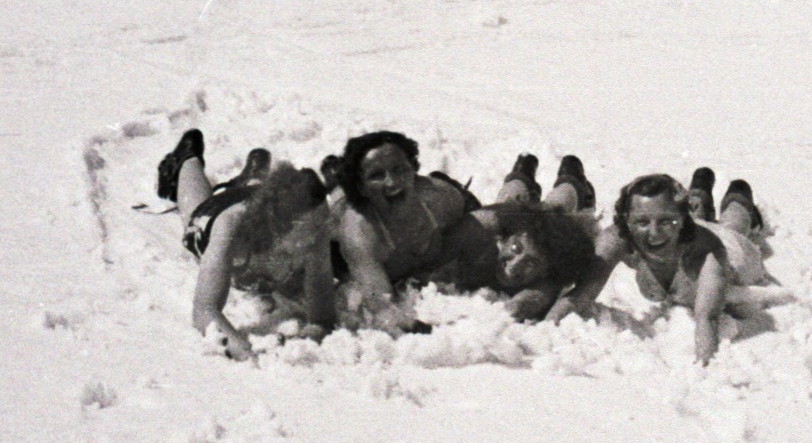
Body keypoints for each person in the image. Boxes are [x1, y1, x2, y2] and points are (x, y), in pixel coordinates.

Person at [548, 173, 790, 363]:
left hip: (735, 254)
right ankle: (699, 195)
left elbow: (707, 318)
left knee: (733, 226)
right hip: (689, 229)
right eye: (642, 222)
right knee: (685, 222)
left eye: (666, 221)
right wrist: (544, 331)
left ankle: (739, 198)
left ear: (683, 220)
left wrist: (704, 369)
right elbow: (583, 293)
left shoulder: (709, 253)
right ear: (627, 221)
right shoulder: (618, 238)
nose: (653, 234)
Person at [156, 128, 334, 361]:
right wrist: (243, 350)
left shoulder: (314, 230)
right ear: (281, 227)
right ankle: (186, 159)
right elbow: (204, 311)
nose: (318, 237)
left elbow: (322, 317)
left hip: (263, 198)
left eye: (321, 225)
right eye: (310, 230)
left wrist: (309, 336)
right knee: (193, 216)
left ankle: (256, 174)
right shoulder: (230, 228)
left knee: (266, 194)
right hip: (219, 210)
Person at [330, 130, 476, 333]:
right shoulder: (359, 232)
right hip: (339, 245)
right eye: (377, 175)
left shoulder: (442, 198)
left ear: (413, 170)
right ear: (361, 188)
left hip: (441, 193)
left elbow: (478, 225)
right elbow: (382, 306)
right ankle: (334, 180)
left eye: (399, 169)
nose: (392, 182)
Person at [421, 154, 600, 320]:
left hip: (553, 229)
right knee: (510, 198)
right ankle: (523, 171)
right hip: (513, 219)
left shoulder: (548, 279)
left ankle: (572, 179)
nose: (514, 265)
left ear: (545, 270)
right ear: (503, 239)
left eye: (531, 263)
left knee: (560, 207)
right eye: (515, 250)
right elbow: (440, 255)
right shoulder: (487, 235)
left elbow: (519, 307)